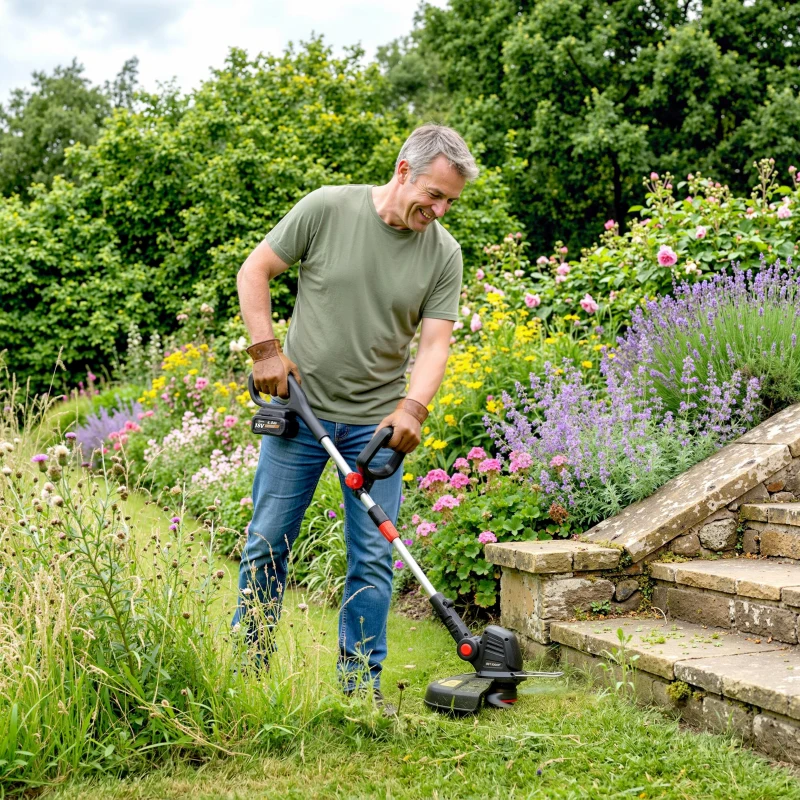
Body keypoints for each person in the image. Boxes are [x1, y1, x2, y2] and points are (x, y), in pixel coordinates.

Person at [232, 123, 478, 702]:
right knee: (268, 542)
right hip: (301, 414)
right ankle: (245, 674)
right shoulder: (326, 209)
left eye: (450, 201)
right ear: (403, 172)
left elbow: (435, 342)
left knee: (372, 559)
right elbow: (254, 271)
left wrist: (413, 408)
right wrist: (266, 349)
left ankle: (358, 691)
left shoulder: (443, 253)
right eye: (434, 195)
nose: (440, 210)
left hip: (374, 428)